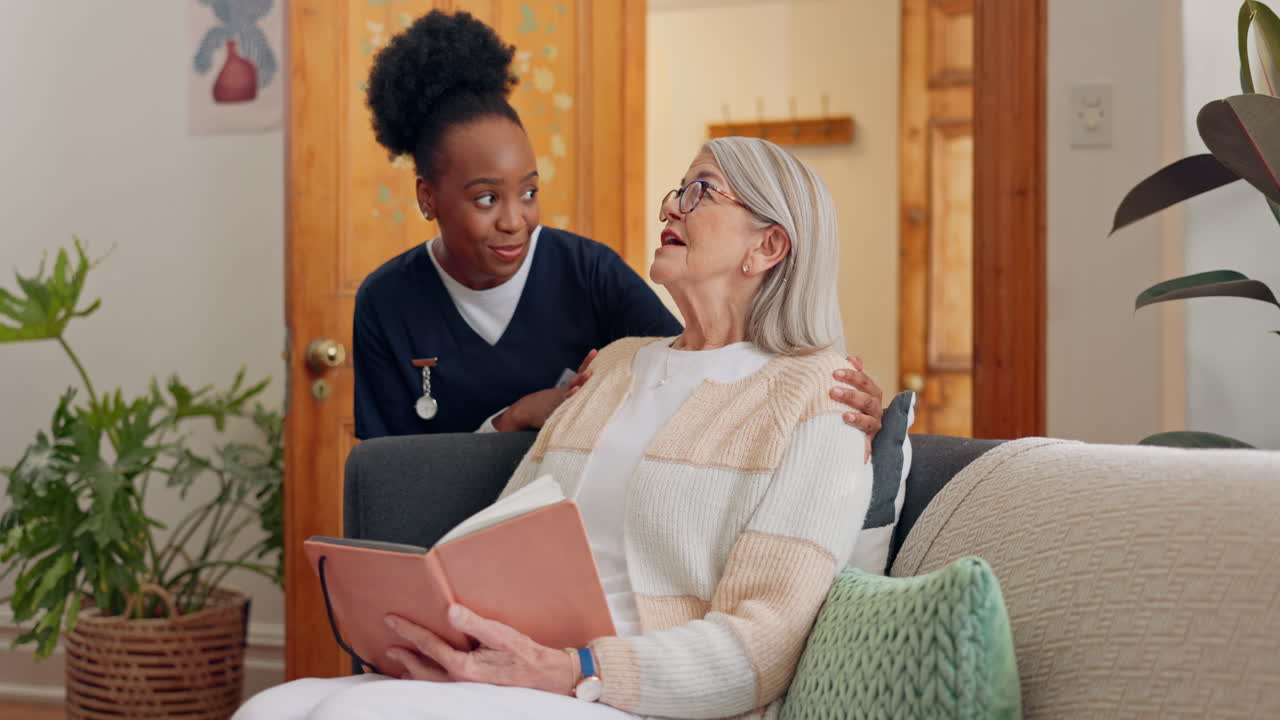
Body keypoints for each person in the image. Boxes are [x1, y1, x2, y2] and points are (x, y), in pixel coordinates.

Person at [236, 137, 875, 720]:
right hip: (527, 670)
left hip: (626, 692)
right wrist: (453, 631)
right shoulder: (620, 363)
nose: (670, 209)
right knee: (273, 708)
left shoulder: (819, 395)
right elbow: (508, 529)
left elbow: (764, 644)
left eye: (699, 192)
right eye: (675, 192)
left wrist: (577, 670)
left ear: (767, 246)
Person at [352, 10, 885, 446]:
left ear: (769, 245)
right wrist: (511, 419)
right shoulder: (387, 300)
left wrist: (824, 395)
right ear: (428, 197)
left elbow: (699, 362)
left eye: (530, 192)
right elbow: (385, 477)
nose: (515, 221)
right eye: (487, 198)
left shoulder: (587, 272)